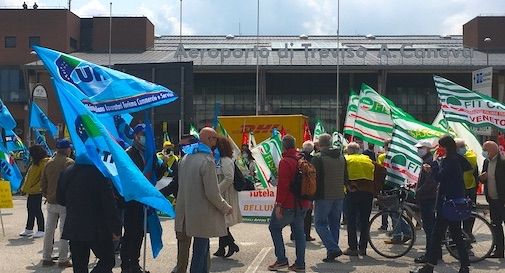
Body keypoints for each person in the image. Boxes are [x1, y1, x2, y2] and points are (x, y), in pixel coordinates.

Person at [175, 127, 232, 273]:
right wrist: (225, 207)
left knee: (198, 249)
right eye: (214, 139)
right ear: (208, 139)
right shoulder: (207, 161)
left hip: (185, 212)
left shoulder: (186, 158)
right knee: (200, 251)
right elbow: (212, 192)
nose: (216, 142)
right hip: (202, 214)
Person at [411, 135, 470, 273]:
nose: (439, 149)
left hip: (448, 203)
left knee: (438, 235)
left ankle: (431, 266)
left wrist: (434, 166)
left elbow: (439, 177)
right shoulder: (455, 158)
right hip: (451, 201)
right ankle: (462, 265)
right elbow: (466, 166)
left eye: (441, 146)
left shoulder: (451, 160)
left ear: (446, 147)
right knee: (451, 235)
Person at [57, 163, 121, 273]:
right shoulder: (100, 172)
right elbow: (109, 204)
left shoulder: (67, 171)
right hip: (98, 227)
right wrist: (116, 228)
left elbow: (60, 199)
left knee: (79, 266)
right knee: (107, 260)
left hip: (74, 225)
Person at [121, 124, 167, 273]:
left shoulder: (149, 154)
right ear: (135, 136)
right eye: (142, 134)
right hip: (132, 200)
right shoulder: (129, 153)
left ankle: (135, 264)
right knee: (130, 233)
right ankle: (126, 265)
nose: (145, 138)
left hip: (144, 201)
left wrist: (163, 164)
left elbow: (156, 175)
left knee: (140, 233)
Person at [267, 135, 311, 272]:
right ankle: (300, 263)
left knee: (274, 227)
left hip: (289, 204)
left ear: (283, 146)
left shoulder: (285, 161)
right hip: (303, 202)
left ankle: (281, 260)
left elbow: (283, 186)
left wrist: (279, 204)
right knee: (299, 233)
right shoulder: (301, 158)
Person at [311, 134, 347, 262]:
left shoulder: (318, 158)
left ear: (319, 144)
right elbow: (345, 176)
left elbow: (314, 178)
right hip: (339, 194)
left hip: (323, 195)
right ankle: (332, 251)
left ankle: (333, 249)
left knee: (319, 224)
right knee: (334, 224)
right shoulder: (341, 157)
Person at [40, 139, 74, 267]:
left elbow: (43, 182)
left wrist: (47, 195)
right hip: (64, 202)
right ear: (67, 149)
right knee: (64, 231)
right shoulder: (69, 163)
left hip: (50, 201)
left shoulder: (48, 163)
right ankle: (63, 259)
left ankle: (46, 257)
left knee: (49, 231)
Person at [169, 135, 200, 273]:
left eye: (183, 146)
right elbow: (175, 184)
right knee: (183, 240)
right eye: (179, 146)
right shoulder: (181, 161)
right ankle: (180, 268)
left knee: (201, 243)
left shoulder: (203, 161)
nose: (181, 149)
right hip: (183, 207)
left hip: (198, 209)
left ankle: (200, 268)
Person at [343, 142, 375, 256]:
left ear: (348, 151)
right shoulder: (367, 159)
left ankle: (352, 247)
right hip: (368, 191)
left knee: (351, 219)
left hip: (353, 191)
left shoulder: (346, 159)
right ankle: (363, 248)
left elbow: (343, 174)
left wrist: (346, 186)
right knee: (364, 221)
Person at [213, 136, 242, 258]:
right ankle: (223, 247)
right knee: (221, 221)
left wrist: (216, 191)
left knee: (221, 221)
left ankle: (231, 244)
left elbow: (229, 178)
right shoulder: (219, 159)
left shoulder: (226, 160)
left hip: (226, 194)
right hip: (222, 192)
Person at [413, 140, 439, 264]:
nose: (419, 150)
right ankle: (436, 252)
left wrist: (419, 191)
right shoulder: (426, 160)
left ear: (428, 149)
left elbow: (430, 182)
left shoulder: (429, 161)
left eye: (421, 148)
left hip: (428, 198)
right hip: (428, 197)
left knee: (429, 229)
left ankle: (430, 255)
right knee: (431, 228)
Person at [479, 141, 505, 258]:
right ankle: (499, 250)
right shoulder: (486, 162)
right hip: (492, 200)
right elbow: (483, 178)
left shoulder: (503, 161)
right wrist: (482, 178)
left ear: (492, 150)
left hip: (503, 200)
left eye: (485, 149)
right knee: (496, 225)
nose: (483, 152)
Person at [19, 145, 49, 238]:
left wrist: (34, 189)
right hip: (31, 191)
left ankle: (41, 229)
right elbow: (29, 178)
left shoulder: (44, 162)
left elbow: (43, 179)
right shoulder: (34, 162)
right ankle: (29, 228)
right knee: (30, 209)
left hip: (37, 191)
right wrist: (24, 188)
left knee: (37, 210)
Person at [290, 140, 316, 242]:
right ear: (312, 150)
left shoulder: (297, 158)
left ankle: (294, 233)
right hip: (308, 190)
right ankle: (306, 234)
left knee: (295, 212)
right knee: (307, 213)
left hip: (297, 189)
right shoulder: (313, 160)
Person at [455, 138, 479, 241]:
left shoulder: (455, 158)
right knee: (469, 211)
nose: (462, 149)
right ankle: (467, 233)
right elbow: (476, 173)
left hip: (462, 189)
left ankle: (465, 234)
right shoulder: (472, 156)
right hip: (471, 187)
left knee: (463, 212)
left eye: (462, 146)